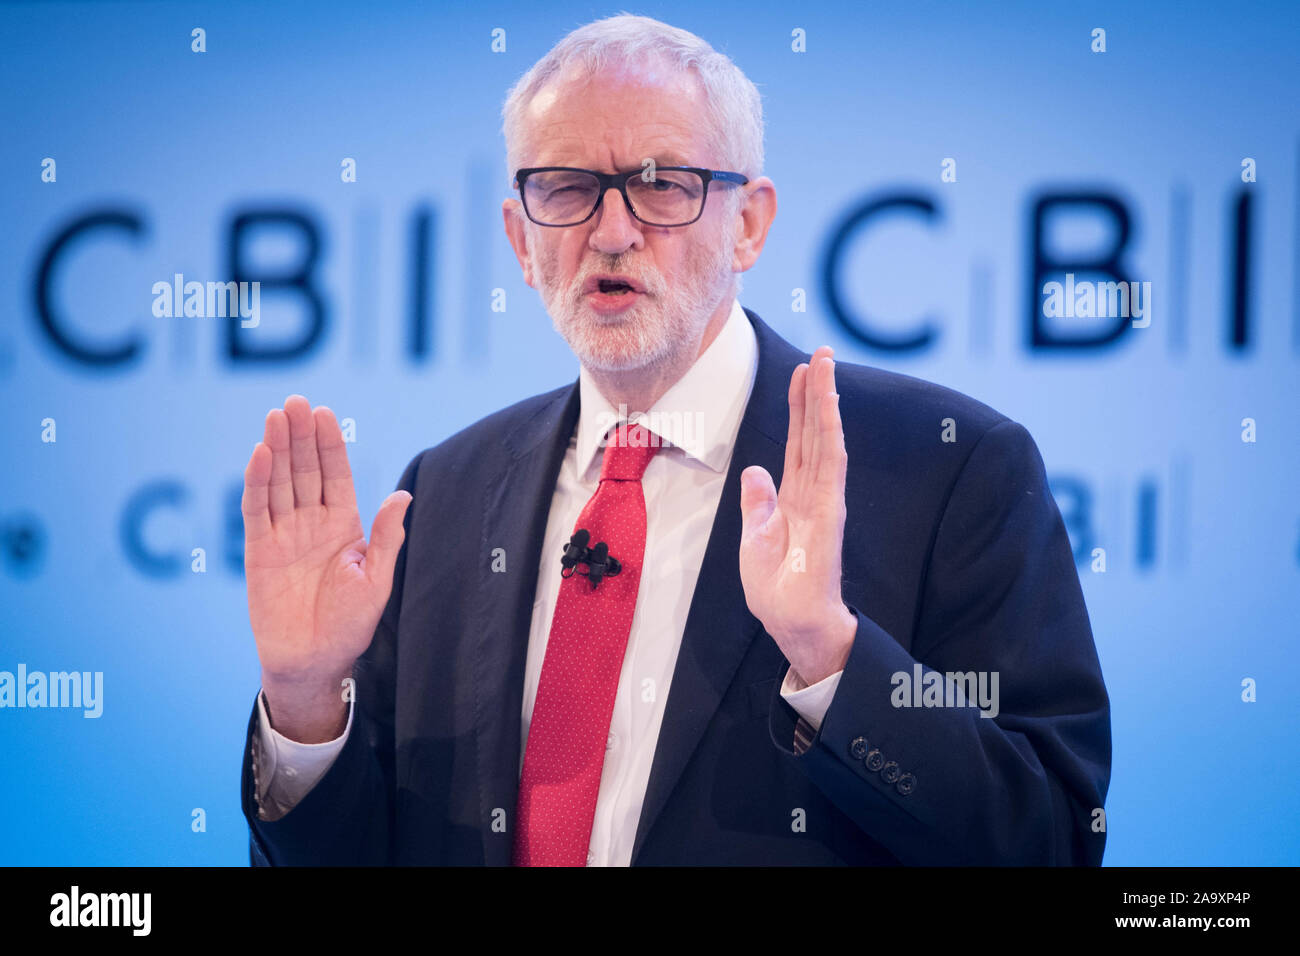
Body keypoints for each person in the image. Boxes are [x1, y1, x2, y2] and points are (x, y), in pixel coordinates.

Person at [238, 13, 1110, 866]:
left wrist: (831, 657)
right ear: (519, 237)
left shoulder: (946, 467)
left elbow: (1051, 839)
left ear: (748, 225)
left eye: (662, 184)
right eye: (567, 188)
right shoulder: (446, 494)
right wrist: (306, 703)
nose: (611, 233)